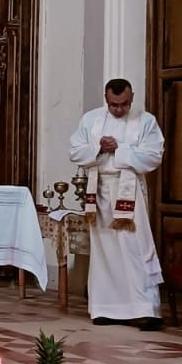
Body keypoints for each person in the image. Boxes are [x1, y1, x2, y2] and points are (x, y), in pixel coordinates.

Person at [69, 78, 165, 329]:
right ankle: (106, 308)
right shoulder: (91, 119)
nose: (119, 110)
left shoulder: (146, 121)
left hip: (129, 189)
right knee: (104, 250)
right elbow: (75, 151)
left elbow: (153, 156)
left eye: (123, 104)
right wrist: (98, 148)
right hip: (99, 189)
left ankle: (145, 309)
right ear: (105, 98)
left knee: (135, 247)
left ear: (131, 97)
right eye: (113, 105)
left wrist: (119, 149)